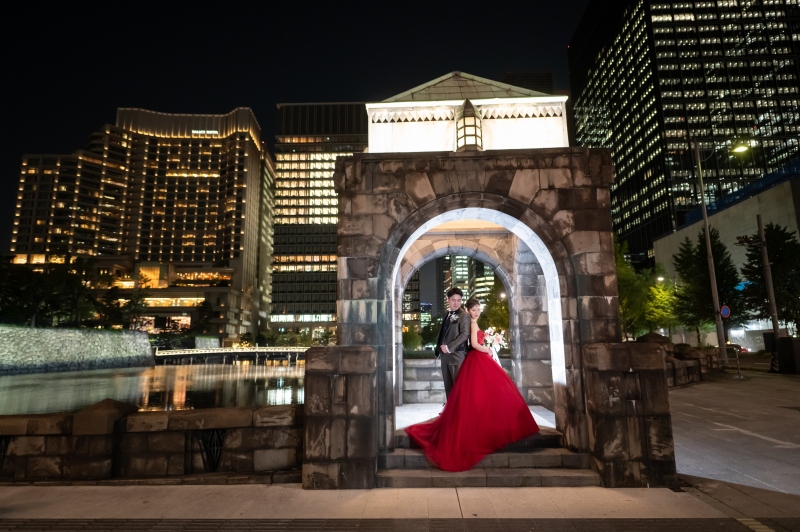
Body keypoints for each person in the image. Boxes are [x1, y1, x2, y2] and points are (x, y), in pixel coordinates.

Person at [406, 298, 539, 472]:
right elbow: (475, 344)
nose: (477, 312)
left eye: (478, 309)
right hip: (477, 359)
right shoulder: (471, 323)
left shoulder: (473, 322)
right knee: (486, 393)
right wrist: (489, 349)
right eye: (474, 310)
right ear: (468, 310)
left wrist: (490, 343)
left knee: (485, 394)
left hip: (477, 360)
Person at [436, 288, 470, 398]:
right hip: (444, 356)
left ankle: (461, 414)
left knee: (459, 390)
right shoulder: (446, 313)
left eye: (459, 300)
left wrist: (449, 347)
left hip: (457, 356)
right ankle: (451, 413)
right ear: (448, 300)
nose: (456, 303)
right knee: (448, 389)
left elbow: (465, 334)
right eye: (453, 300)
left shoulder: (464, 315)